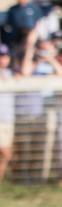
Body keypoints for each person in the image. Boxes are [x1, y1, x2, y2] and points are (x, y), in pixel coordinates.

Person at [0, 45, 13, 181]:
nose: (2, 59)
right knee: (5, 152)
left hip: (8, 118)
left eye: (4, 56)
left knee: (6, 154)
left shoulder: (11, 73)